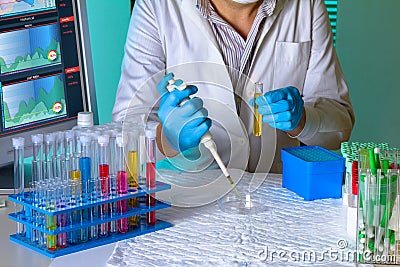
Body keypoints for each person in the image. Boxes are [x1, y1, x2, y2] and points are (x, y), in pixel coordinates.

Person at [112, 0, 355, 173]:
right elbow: (123, 132)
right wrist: (166, 139)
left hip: (275, 200)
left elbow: (340, 125)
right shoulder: (157, 8)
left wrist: (303, 119)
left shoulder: (307, 6)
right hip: (192, 206)